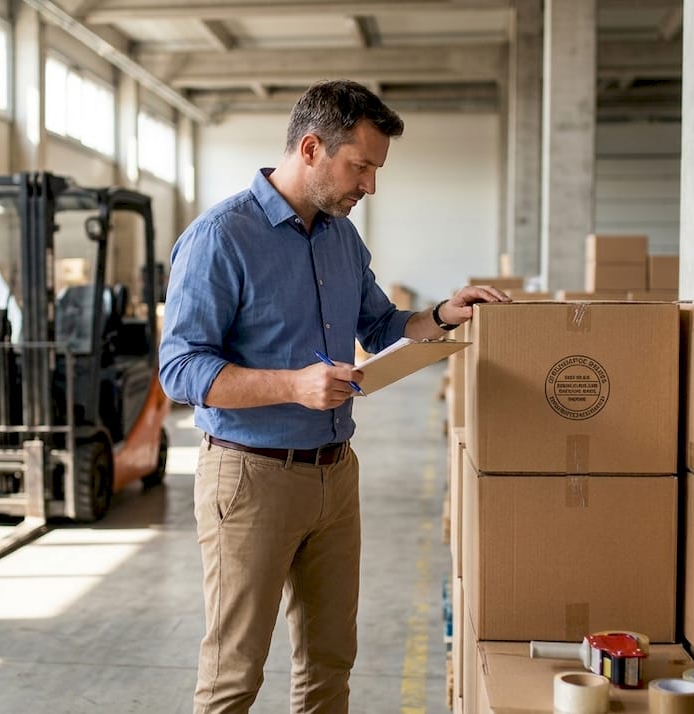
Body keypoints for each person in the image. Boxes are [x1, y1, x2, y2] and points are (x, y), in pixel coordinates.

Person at [158, 79, 509, 714]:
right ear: (313, 148)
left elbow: (381, 328)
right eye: (362, 166)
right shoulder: (222, 237)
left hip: (334, 476)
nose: (370, 185)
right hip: (250, 478)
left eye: (376, 169)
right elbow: (180, 369)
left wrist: (445, 314)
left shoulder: (341, 238)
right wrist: (294, 385)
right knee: (234, 674)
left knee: (329, 662)